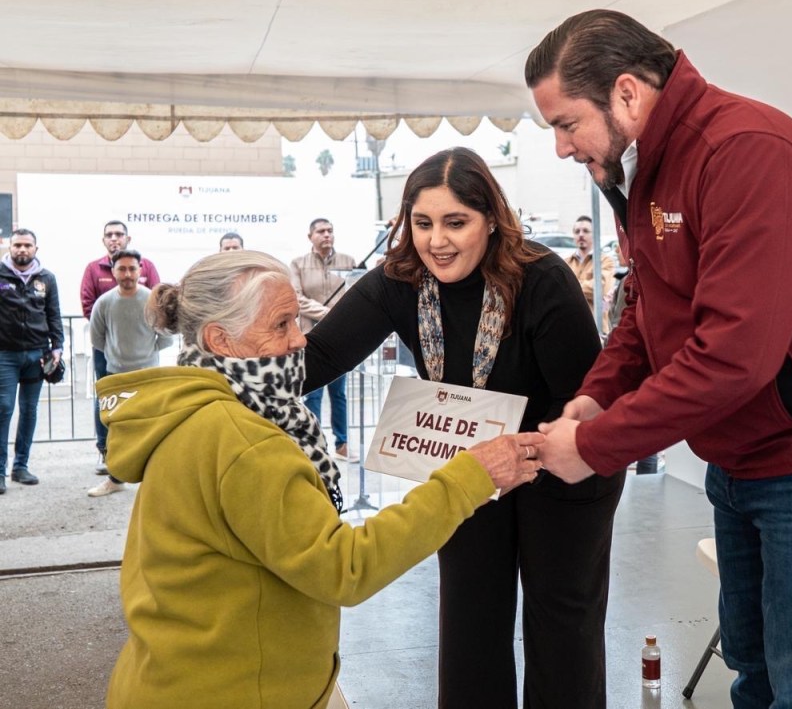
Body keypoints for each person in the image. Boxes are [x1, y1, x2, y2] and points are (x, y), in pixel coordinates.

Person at [525, 10, 792, 709]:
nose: (561, 148)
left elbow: (735, 354)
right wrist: (598, 395)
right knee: (755, 667)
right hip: (745, 450)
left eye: (566, 123)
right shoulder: (645, 171)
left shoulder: (747, 151)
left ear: (625, 93)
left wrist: (595, 444)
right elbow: (651, 306)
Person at [99, 250, 543, 709]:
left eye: (297, 321)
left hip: (187, 677)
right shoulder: (244, 443)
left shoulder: (194, 412)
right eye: (281, 325)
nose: (300, 341)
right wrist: (468, 478)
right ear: (220, 339)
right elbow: (344, 567)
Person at [304, 148, 626, 709]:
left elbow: (584, 399)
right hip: (471, 465)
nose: (437, 241)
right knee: (469, 620)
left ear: (491, 220)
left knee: (561, 626)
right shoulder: (398, 281)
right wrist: (229, 375)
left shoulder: (541, 277)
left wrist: (530, 453)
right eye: (423, 223)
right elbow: (323, 353)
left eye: (456, 222)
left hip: (563, 466)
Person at [87, 249, 174, 497]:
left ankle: (153, 482)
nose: (127, 274)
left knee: (149, 429)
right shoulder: (103, 303)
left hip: (148, 377)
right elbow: (98, 339)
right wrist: (119, 355)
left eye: (132, 268)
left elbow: (166, 338)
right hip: (117, 377)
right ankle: (115, 479)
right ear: (113, 271)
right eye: (122, 269)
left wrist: (144, 353)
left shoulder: (151, 301)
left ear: (140, 270)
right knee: (119, 433)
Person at [80, 220, 160, 474]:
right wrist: (112, 340)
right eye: (109, 235)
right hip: (107, 348)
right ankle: (106, 451)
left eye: (119, 234)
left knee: (144, 403)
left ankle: (141, 453)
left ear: (128, 238)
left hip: (142, 354)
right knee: (107, 399)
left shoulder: (147, 266)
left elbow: (159, 301)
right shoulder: (94, 268)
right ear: (103, 240)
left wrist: (147, 344)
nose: (114, 238)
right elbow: (88, 305)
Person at [0, 228, 64, 494]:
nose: (22, 250)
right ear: (9, 247)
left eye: (27, 245)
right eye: (18, 245)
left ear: (36, 249)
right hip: (5, 355)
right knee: (3, 408)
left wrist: (58, 347)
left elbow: (53, 314)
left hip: (37, 355)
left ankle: (21, 467)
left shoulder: (47, 278)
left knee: (29, 410)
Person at [290, 218, 356, 461]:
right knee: (313, 393)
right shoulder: (298, 264)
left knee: (339, 394)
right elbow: (297, 298)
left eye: (330, 230)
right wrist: (331, 315)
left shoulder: (348, 262)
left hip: (342, 340)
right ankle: (313, 443)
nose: (326, 235)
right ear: (310, 236)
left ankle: (342, 443)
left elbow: (357, 294)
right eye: (321, 231)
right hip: (311, 338)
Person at [565, 215, 615, 333]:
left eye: (586, 231)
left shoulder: (605, 261)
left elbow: (599, 288)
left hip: (596, 328)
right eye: (577, 231)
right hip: (571, 327)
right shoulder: (565, 263)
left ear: (594, 234)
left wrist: (569, 288)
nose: (581, 234)